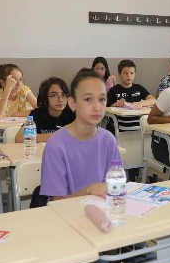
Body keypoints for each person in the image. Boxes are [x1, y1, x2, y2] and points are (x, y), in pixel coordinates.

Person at [40, 68, 122, 199]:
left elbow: (116, 187)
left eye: (102, 99)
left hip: (102, 208)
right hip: (67, 211)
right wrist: (89, 190)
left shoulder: (108, 140)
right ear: (72, 103)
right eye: (88, 99)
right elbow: (56, 202)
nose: (97, 107)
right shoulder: (56, 144)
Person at [15, 77, 75, 143]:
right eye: (54, 95)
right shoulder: (37, 114)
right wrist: (52, 136)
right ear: (45, 98)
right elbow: (19, 137)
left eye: (63, 95)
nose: (60, 99)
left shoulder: (71, 115)